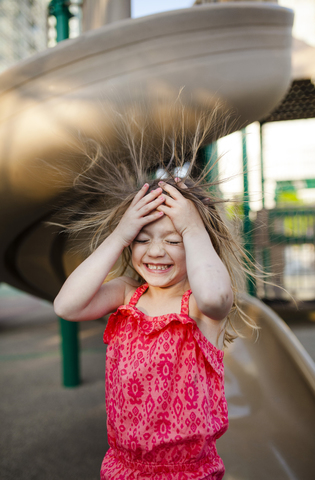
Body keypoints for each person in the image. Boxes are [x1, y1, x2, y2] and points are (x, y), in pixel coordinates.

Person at [53, 104, 258, 479]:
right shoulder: (127, 294)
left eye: (173, 239)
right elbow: (66, 306)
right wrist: (120, 234)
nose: (156, 251)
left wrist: (194, 227)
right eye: (143, 239)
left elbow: (216, 296)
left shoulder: (199, 304)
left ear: (197, 244)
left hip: (187, 472)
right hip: (123, 467)